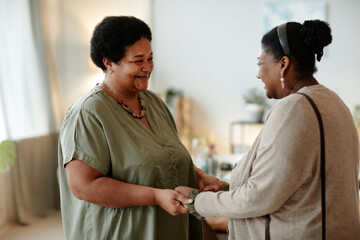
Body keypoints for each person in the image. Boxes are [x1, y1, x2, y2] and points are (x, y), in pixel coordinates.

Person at [176, 20, 360, 239]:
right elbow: (294, 185)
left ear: (283, 64)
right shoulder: (334, 102)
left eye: (260, 63)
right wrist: (226, 188)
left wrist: (197, 201)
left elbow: (259, 197)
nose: (258, 74)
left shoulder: (293, 109)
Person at [58, 16, 224, 240]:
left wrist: (199, 176)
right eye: (138, 61)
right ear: (109, 63)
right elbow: (83, 187)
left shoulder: (153, 103)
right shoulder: (88, 113)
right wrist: (154, 196)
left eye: (150, 58)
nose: (148, 68)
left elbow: (165, 157)